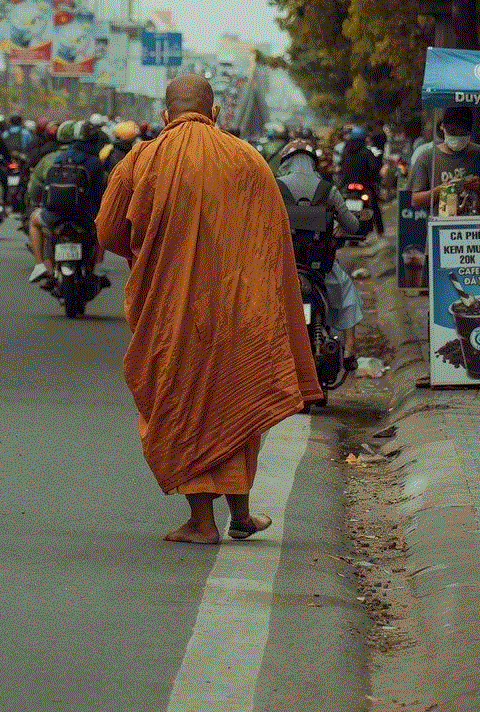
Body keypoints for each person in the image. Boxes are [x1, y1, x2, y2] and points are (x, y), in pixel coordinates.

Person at [95, 75, 322, 545]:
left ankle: (203, 522)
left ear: (165, 115)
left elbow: (108, 232)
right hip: (240, 308)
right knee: (237, 398)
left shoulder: (142, 159)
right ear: (216, 113)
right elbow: (272, 240)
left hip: (172, 312)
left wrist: (151, 257)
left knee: (183, 403)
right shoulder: (249, 160)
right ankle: (241, 512)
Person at [275, 138, 363, 365]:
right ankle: (349, 350)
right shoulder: (327, 190)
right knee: (347, 292)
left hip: (281, 266)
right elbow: (353, 225)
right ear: (313, 163)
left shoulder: (275, 187)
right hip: (319, 267)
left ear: (286, 162)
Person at [26, 119, 110, 286]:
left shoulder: (56, 159)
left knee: (34, 221)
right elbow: (103, 192)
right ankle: (99, 263)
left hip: (54, 215)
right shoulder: (95, 163)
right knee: (104, 224)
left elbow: (38, 188)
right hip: (86, 217)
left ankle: (39, 265)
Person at [409, 105, 480, 214]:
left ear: (470, 131)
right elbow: (415, 201)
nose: (457, 138)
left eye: (463, 134)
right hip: (441, 225)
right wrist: (439, 190)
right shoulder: (427, 157)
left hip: (476, 225)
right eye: (452, 133)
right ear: (442, 127)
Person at [338, 125, 386, 248]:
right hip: (364, 185)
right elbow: (374, 168)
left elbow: (341, 166)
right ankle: (380, 232)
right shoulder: (366, 152)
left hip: (347, 185)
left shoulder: (346, 150)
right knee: (374, 205)